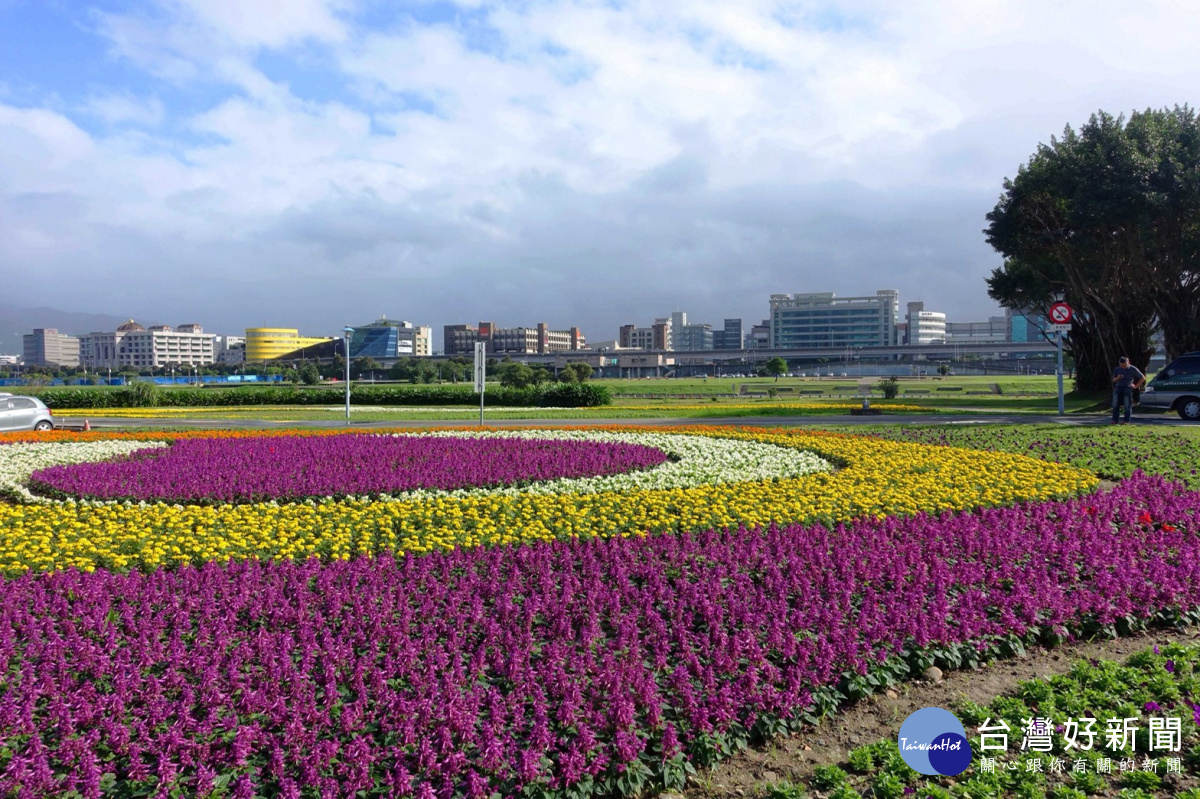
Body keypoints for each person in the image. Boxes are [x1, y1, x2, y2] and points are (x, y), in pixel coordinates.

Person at [1111, 356, 1145, 424]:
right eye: (1121, 365)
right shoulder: (1117, 369)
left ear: (1128, 362)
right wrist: (1118, 377)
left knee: (1127, 405)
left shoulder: (1133, 369)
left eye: (1124, 365)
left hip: (1127, 388)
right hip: (1118, 387)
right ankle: (1114, 420)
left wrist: (1136, 386)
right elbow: (1114, 380)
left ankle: (1126, 421)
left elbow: (1142, 378)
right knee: (1115, 404)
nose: (1123, 367)